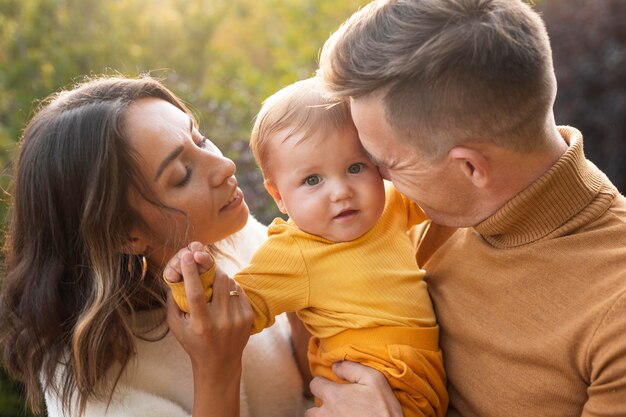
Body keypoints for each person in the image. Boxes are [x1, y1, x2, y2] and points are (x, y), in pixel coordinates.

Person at [310, 0, 626, 416]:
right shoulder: (430, 215)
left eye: (390, 163)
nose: (379, 180)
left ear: (471, 167)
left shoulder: (614, 316)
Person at [0, 76, 311, 417]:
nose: (225, 167)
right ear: (125, 235)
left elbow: (312, 380)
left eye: (201, 140)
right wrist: (216, 367)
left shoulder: (236, 238)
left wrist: (305, 297)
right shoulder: (97, 385)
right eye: (181, 175)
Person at [163, 76, 447, 417]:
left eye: (356, 167)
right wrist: (196, 281)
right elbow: (237, 308)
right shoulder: (294, 252)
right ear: (279, 196)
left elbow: (441, 191)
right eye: (313, 180)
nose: (341, 191)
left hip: (424, 382)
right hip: (364, 389)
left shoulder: (389, 205)